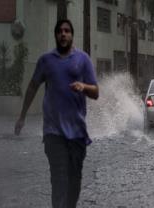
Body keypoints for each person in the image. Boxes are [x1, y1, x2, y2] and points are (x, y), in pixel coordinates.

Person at [14, 19, 99, 208]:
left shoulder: (83, 59)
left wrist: (83, 86)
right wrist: (22, 116)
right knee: (59, 179)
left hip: (77, 133)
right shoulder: (46, 61)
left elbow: (96, 92)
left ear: (72, 35)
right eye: (60, 31)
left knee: (74, 183)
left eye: (67, 31)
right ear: (55, 35)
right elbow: (32, 87)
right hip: (53, 133)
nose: (63, 34)